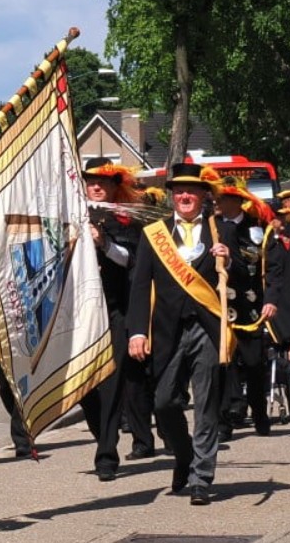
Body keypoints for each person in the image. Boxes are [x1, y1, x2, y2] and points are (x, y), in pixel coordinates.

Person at [127, 164, 242, 506]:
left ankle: (201, 478)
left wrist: (230, 262)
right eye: (179, 192)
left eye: (192, 191)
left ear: (204, 196)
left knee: (206, 403)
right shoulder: (154, 234)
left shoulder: (221, 231)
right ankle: (184, 456)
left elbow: (243, 282)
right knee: (164, 403)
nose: (185, 196)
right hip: (167, 331)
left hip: (206, 329)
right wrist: (136, 331)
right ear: (172, 197)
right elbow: (139, 286)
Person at [80, 158, 150, 480]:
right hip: (80, 315)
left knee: (110, 386)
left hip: (114, 312)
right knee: (84, 391)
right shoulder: (68, 218)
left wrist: (103, 243)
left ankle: (106, 455)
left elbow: (130, 260)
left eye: (103, 182)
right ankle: (103, 435)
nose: (96, 186)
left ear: (113, 186)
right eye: (91, 181)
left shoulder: (125, 220)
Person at [215, 177, 281, 439]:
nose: (217, 203)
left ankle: (259, 412)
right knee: (223, 364)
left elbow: (275, 270)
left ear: (237, 201)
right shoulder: (210, 227)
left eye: (222, 198)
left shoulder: (259, 229)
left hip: (252, 306)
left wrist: (272, 299)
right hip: (219, 305)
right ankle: (227, 418)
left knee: (254, 364)